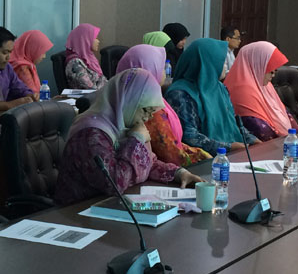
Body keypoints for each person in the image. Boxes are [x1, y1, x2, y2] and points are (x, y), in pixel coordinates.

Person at [54, 68, 202, 205]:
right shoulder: (91, 134)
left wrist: (178, 173)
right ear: (129, 102)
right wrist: (136, 140)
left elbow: (146, 163)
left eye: (152, 112)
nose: (148, 117)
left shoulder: (123, 126)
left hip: (109, 207)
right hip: (77, 212)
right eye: (145, 110)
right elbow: (115, 183)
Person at [116, 44, 210, 166]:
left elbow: (173, 143)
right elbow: (171, 156)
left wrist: (197, 152)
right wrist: (201, 158)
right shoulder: (148, 108)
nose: (165, 72)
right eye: (161, 68)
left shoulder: (148, 98)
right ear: (147, 70)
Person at [165, 38, 249, 154]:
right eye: (222, 62)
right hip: (205, 159)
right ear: (207, 63)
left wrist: (251, 140)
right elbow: (189, 137)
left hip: (234, 153)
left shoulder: (220, 88)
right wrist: (228, 147)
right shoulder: (180, 94)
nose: (225, 66)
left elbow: (234, 122)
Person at [223, 40, 298, 142]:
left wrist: (296, 137)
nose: (273, 75)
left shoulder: (265, 85)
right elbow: (262, 132)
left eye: (275, 71)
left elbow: (286, 116)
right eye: (270, 71)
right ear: (258, 66)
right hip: (264, 148)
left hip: (281, 144)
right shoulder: (242, 91)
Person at [9, 29, 53, 96]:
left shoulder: (28, 64)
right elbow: (33, 95)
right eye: (42, 52)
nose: (44, 56)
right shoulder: (22, 68)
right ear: (32, 48)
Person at [63, 23, 107, 89]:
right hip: (90, 95)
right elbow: (90, 88)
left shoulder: (89, 58)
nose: (98, 41)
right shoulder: (75, 63)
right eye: (95, 38)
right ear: (85, 39)